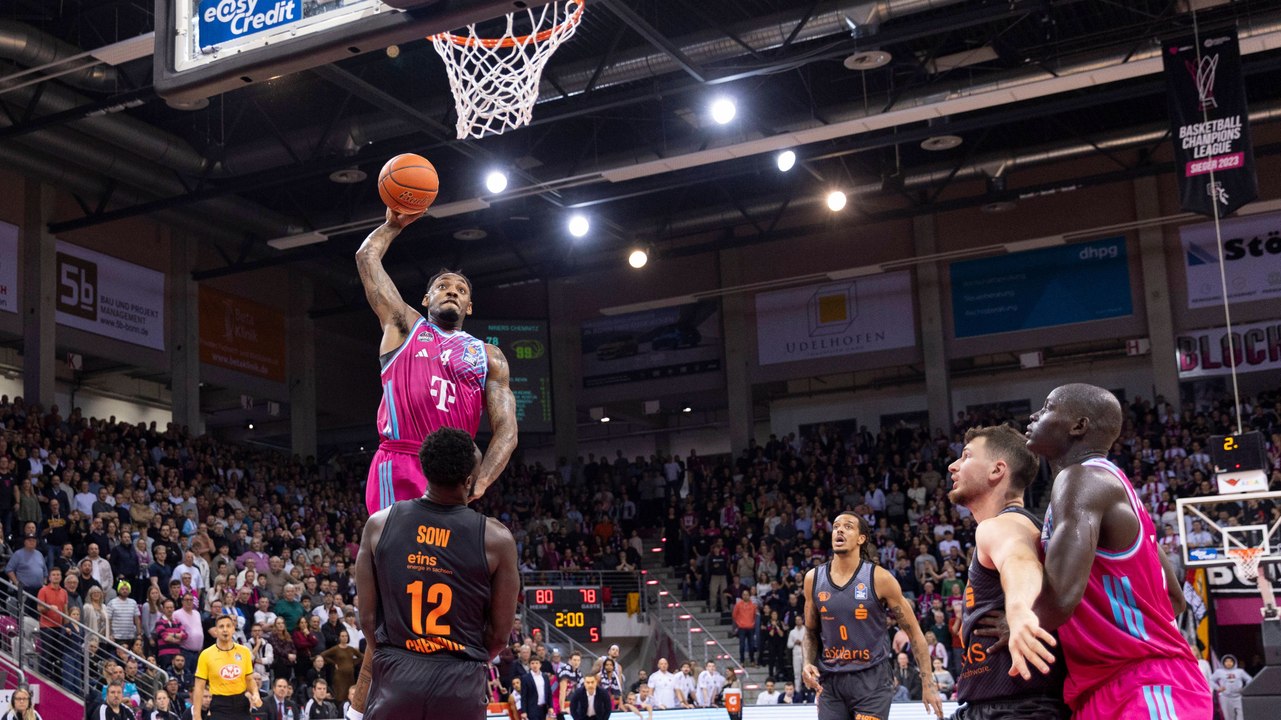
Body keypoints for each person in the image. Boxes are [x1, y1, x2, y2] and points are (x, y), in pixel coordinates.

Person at [1028, 384, 1212, 720]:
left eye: (1047, 407)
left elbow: (1061, 596)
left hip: (1146, 685)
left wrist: (1014, 628)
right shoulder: (1114, 485)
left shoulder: (1081, 480)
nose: (1034, 416)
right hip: (1104, 686)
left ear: (1079, 426)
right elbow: (1173, 597)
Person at [355, 211, 517, 516]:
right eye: (443, 286)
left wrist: (481, 481)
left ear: (469, 306)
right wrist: (393, 225)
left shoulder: (489, 356)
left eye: (461, 289)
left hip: (453, 472)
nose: (452, 290)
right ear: (426, 299)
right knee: (396, 557)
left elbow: (507, 429)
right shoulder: (404, 326)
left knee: (442, 563)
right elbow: (366, 257)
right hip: (400, 460)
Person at [353, 427, 519, 720]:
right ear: (469, 480)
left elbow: (366, 619)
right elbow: (499, 635)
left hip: (397, 676)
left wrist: (400, 657)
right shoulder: (497, 539)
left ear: (424, 470)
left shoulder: (379, 524)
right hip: (459, 682)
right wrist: (461, 659)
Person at [946, 424, 1067, 719]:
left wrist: (1019, 610)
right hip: (998, 706)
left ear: (997, 470)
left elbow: (1019, 560)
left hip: (1016, 708)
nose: (953, 466)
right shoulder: (1021, 525)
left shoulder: (1002, 526)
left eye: (966, 456)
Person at [802, 513, 943, 720]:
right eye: (836, 526)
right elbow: (810, 632)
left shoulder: (880, 578)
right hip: (831, 681)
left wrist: (928, 684)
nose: (839, 530)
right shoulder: (813, 579)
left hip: (872, 679)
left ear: (861, 539)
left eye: (848, 527)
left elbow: (914, 633)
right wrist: (807, 663)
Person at [191, 614, 261, 720]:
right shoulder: (206, 654)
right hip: (219, 705)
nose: (225, 630)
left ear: (233, 629)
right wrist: (197, 715)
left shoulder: (244, 651)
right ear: (216, 631)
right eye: (221, 626)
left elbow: (250, 679)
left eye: (228, 626)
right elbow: (199, 687)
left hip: (241, 704)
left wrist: (255, 694)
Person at [1209, 655, 1252, 720]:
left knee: (1241, 716)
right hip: (1225, 697)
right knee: (1229, 717)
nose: (1229, 663)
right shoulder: (1219, 672)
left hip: (1238, 697)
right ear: (1223, 662)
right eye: (1226, 661)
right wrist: (1218, 688)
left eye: (1231, 661)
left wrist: (1245, 688)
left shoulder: (1240, 671)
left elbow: (1249, 679)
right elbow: (1210, 680)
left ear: (1234, 662)